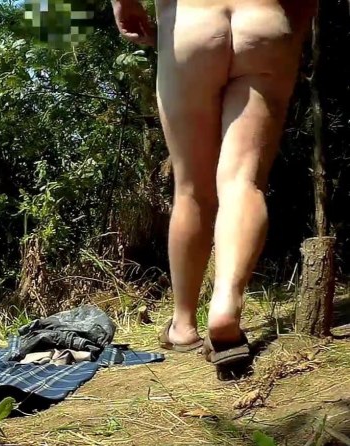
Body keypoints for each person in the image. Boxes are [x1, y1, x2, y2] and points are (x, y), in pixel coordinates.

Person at [110, 0, 317, 378]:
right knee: (243, 181)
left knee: (190, 189)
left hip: (190, 26)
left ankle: (183, 324)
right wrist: (291, 34)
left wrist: (123, 5)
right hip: (264, 23)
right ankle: (225, 304)